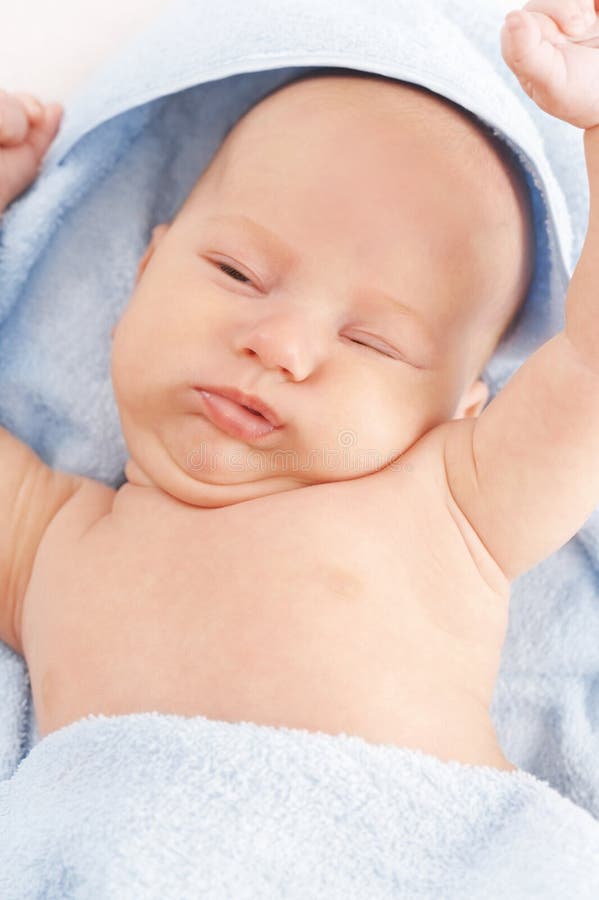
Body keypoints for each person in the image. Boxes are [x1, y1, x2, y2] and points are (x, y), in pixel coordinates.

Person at [1, 0, 597, 772]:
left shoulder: (453, 514)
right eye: (236, 273)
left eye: (370, 340)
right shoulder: (47, 546)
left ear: (459, 411)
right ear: (143, 277)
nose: (278, 346)